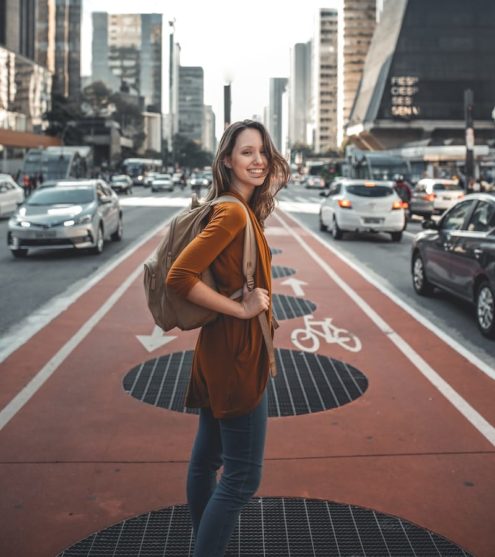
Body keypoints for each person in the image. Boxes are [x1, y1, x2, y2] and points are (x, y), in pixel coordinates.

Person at [166, 120, 290, 556]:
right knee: (241, 478)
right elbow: (180, 276)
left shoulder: (237, 207)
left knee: (207, 463)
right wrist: (241, 308)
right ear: (227, 161)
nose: (258, 161)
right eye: (246, 153)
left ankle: (203, 543)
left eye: (262, 152)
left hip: (218, 351)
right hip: (238, 355)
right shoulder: (234, 211)